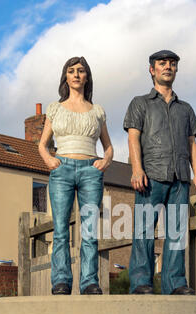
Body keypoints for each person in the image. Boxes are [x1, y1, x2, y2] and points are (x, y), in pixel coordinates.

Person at [123, 50, 196, 295]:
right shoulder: (140, 103)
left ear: (176, 70)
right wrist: (137, 169)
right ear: (152, 70)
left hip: (180, 178)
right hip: (151, 176)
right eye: (162, 63)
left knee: (177, 233)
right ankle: (141, 283)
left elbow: (191, 143)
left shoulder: (186, 109)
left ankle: (175, 284)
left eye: (172, 64)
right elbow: (133, 137)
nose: (168, 67)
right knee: (144, 232)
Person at [39, 56, 113, 295]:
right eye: (71, 71)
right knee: (60, 229)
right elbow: (42, 144)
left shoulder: (97, 111)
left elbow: (109, 146)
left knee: (89, 229)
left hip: (90, 170)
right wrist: (50, 160)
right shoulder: (55, 108)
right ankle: (61, 280)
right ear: (66, 77)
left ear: (87, 76)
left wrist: (104, 162)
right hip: (62, 169)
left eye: (81, 71)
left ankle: (89, 281)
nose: (76, 75)